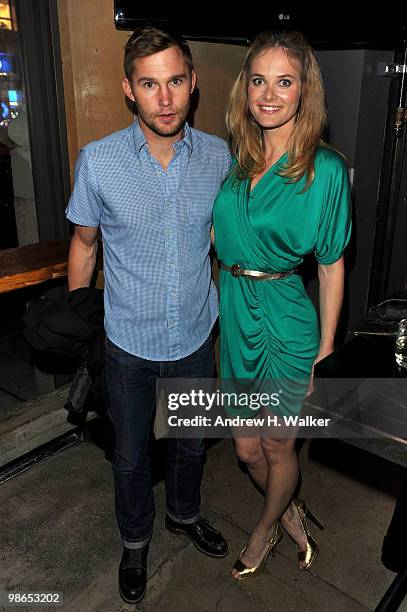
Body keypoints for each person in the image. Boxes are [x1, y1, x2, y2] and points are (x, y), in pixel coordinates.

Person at [65, 25, 230, 604]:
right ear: (129, 89)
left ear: (193, 83)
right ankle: (135, 543)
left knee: (189, 445)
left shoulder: (219, 157)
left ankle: (183, 515)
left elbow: (223, 242)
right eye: (149, 84)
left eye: (175, 82)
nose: (165, 99)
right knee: (131, 457)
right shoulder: (99, 162)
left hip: (194, 337)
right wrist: (81, 324)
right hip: (127, 343)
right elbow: (85, 244)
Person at [212, 30, 352, 580]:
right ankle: (286, 503)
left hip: (286, 325)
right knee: (246, 450)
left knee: (276, 444)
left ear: (304, 90)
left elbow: (332, 265)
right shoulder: (238, 160)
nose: (270, 94)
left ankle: (267, 527)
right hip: (236, 318)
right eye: (259, 80)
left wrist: (326, 350)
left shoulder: (325, 171)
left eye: (284, 81)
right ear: (245, 88)